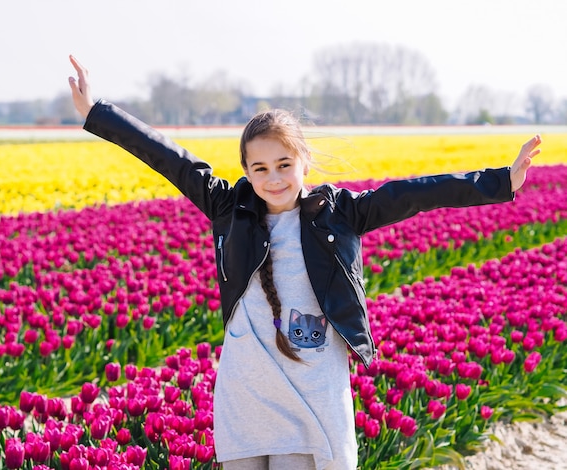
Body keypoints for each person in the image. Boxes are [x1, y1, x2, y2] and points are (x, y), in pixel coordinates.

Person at [68, 55, 541, 470]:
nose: (272, 179)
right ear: (247, 171)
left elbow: (416, 193)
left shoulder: (343, 213)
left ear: (304, 162)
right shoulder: (228, 209)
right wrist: (97, 113)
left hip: (310, 384)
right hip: (247, 386)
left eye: (283, 165)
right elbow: (168, 157)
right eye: (259, 168)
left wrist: (501, 181)